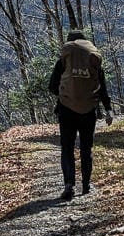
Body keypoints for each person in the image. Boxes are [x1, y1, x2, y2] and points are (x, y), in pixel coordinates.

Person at [48, 30, 113, 201]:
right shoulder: (93, 59)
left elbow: (52, 86)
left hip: (66, 110)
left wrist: (65, 94)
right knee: (86, 148)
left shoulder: (65, 59)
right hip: (89, 110)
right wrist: (108, 109)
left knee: (67, 148)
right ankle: (86, 185)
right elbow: (102, 87)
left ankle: (69, 184)